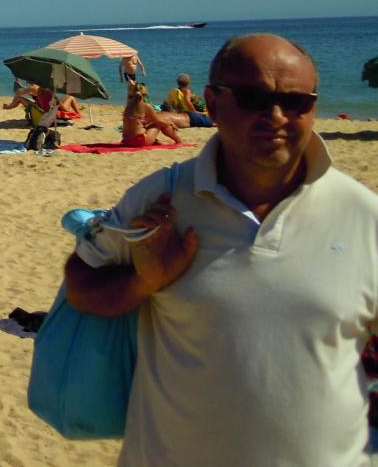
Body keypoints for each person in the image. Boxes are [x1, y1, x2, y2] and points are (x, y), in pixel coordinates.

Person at [62, 34, 378, 466]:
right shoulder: (160, 199)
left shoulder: (363, 215)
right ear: (211, 103)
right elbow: (81, 286)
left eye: (297, 102)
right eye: (252, 98)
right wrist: (144, 280)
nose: (277, 116)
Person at [122, 81, 181, 146]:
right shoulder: (146, 106)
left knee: (152, 123)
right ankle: (178, 140)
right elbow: (159, 122)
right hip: (139, 141)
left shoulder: (128, 104)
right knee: (160, 123)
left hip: (126, 141)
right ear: (145, 94)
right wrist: (170, 122)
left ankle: (155, 141)